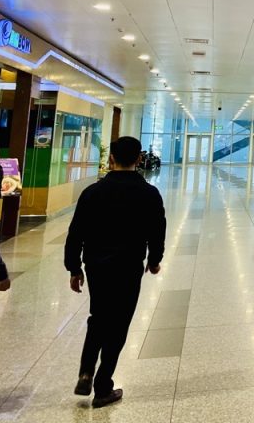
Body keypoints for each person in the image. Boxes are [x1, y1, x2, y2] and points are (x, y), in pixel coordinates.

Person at [64, 136, 165, 409]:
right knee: (119, 323)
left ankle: (86, 371)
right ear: (139, 159)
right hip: (128, 266)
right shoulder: (148, 194)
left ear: (111, 158)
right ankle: (103, 385)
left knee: (98, 316)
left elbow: (76, 233)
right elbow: (157, 230)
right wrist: (155, 259)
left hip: (96, 265)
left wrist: (74, 267)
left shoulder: (92, 192)